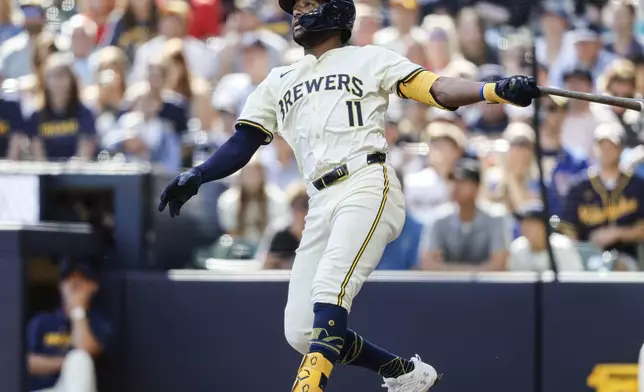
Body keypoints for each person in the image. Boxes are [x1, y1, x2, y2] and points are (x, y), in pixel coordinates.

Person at [157, 0, 539, 390]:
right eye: (296, 6)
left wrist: (492, 90)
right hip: (319, 200)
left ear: (336, 10)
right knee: (302, 330)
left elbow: (436, 89)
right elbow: (243, 142)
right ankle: (402, 373)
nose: (299, 12)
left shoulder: (368, 58)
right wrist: (199, 174)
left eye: (308, 3)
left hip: (366, 181)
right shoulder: (279, 79)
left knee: (328, 289)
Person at [560, 122, 644, 262]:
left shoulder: (637, 185)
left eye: (611, 145)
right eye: (601, 145)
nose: (606, 150)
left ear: (621, 148)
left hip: (628, 256)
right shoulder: (579, 186)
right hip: (587, 257)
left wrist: (618, 233)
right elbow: (568, 229)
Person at [27, 260, 112, 392]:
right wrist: (66, 363)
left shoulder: (98, 321)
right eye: (69, 280)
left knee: (80, 360)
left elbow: (86, 349)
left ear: (93, 286)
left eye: (81, 281)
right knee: (76, 361)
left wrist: (78, 311)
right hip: (43, 389)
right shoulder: (42, 321)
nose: (74, 285)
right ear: (60, 286)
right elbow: (26, 362)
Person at [422, 157, 511, 271]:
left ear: (477, 187)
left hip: (487, 288)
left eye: (463, 182)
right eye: (453, 181)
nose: (456, 187)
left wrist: (451, 272)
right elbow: (428, 264)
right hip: (447, 288)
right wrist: (468, 274)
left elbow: (499, 264)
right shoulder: (439, 219)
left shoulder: (496, 218)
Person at [21, 53, 97, 161]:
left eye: (61, 76)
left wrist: (70, 173)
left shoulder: (84, 113)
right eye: (51, 76)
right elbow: (38, 154)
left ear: (72, 80)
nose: (56, 82)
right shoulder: (36, 115)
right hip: (46, 173)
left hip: (77, 174)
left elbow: (85, 151)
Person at [508, 200, 584, 272]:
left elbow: (573, 282)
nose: (525, 228)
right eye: (523, 224)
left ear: (544, 226)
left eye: (531, 224)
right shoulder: (517, 249)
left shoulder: (562, 247)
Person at [264, 183, 309, 269]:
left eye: (306, 204)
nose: (304, 211)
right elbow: (266, 268)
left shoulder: (321, 234)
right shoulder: (279, 236)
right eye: (297, 205)